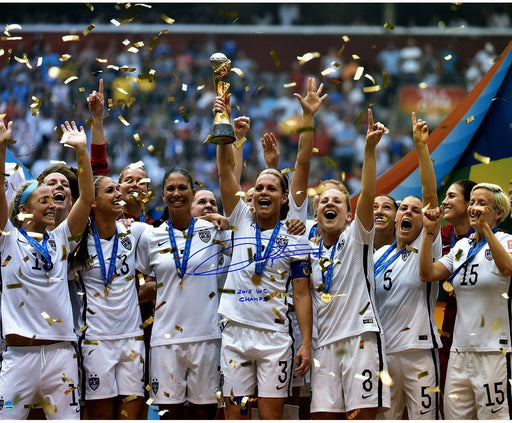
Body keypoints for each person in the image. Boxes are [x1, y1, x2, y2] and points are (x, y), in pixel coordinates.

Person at [215, 77, 326, 420]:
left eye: (272, 189)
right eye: (258, 187)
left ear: (283, 199)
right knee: (234, 415)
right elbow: (225, 170)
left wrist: (305, 342)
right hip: (234, 332)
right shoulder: (241, 218)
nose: (263, 192)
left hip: (276, 337)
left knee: (270, 416)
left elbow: (302, 292)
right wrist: (224, 128)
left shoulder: (294, 228)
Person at [0, 120, 94, 419]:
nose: (53, 205)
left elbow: (87, 199)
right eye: (44, 200)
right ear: (24, 209)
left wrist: (82, 151)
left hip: (60, 357)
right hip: (18, 358)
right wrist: (2, 147)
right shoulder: (7, 240)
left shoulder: (62, 239)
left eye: (54, 200)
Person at [309, 109, 390, 419]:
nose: (329, 204)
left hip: (360, 338)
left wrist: (369, 149)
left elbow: (368, 193)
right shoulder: (308, 248)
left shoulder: (358, 238)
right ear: (315, 216)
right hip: (324, 344)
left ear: (349, 214)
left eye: (337, 201)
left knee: (362, 415)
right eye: (323, 202)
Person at [136, 166, 227, 420]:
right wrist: (164, 283)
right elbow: (143, 287)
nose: (177, 194)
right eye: (171, 189)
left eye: (182, 187)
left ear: (192, 191)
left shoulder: (213, 232)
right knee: (169, 415)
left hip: (207, 337)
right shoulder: (150, 237)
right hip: (165, 340)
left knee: (204, 413)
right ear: (163, 196)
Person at [419, 183, 512, 419]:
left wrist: (486, 230)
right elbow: (427, 274)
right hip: (459, 352)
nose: (474, 208)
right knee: (455, 418)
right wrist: (429, 233)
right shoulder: (461, 246)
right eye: (472, 202)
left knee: (495, 418)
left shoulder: (507, 240)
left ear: (498, 213)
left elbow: (507, 267)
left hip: (493, 351)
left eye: (482, 203)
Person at [374, 113, 442, 420]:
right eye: (404, 208)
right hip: (384, 354)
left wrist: (421, 147)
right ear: (394, 215)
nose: (410, 213)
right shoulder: (376, 258)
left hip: (419, 351)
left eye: (415, 211)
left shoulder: (425, 244)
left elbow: (430, 197)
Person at [68, 175, 146, 419]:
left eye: (117, 189)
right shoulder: (78, 242)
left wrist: (211, 218)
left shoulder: (134, 232)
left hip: (132, 338)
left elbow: (176, 230)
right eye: (110, 190)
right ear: (93, 202)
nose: (118, 194)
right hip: (96, 341)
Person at [437, 179, 477, 402]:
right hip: (450, 329)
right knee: (450, 402)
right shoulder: (443, 233)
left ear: (470, 202)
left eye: (452, 196)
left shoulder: (488, 237)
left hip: (481, 335)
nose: (445, 201)